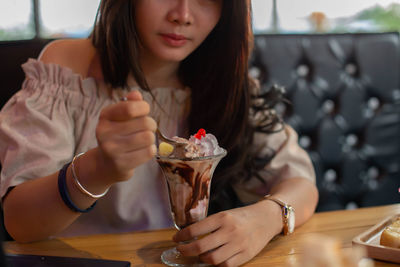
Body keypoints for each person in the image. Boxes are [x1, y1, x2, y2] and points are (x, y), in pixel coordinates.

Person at [0, 0, 318, 266]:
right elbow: (20, 223)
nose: (182, 14)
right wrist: (96, 170)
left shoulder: (228, 88)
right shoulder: (67, 71)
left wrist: (265, 218)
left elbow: (302, 185)